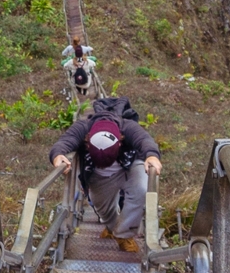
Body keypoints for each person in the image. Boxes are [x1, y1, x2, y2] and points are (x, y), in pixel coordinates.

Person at [49, 96, 161, 254]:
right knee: (102, 208)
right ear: (87, 140)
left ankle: (124, 235)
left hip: (129, 166)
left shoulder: (126, 127)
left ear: (120, 141)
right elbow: (65, 141)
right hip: (99, 176)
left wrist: (152, 156)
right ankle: (111, 227)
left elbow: (145, 140)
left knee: (142, 189)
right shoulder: (83, 127)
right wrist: (58, 155)